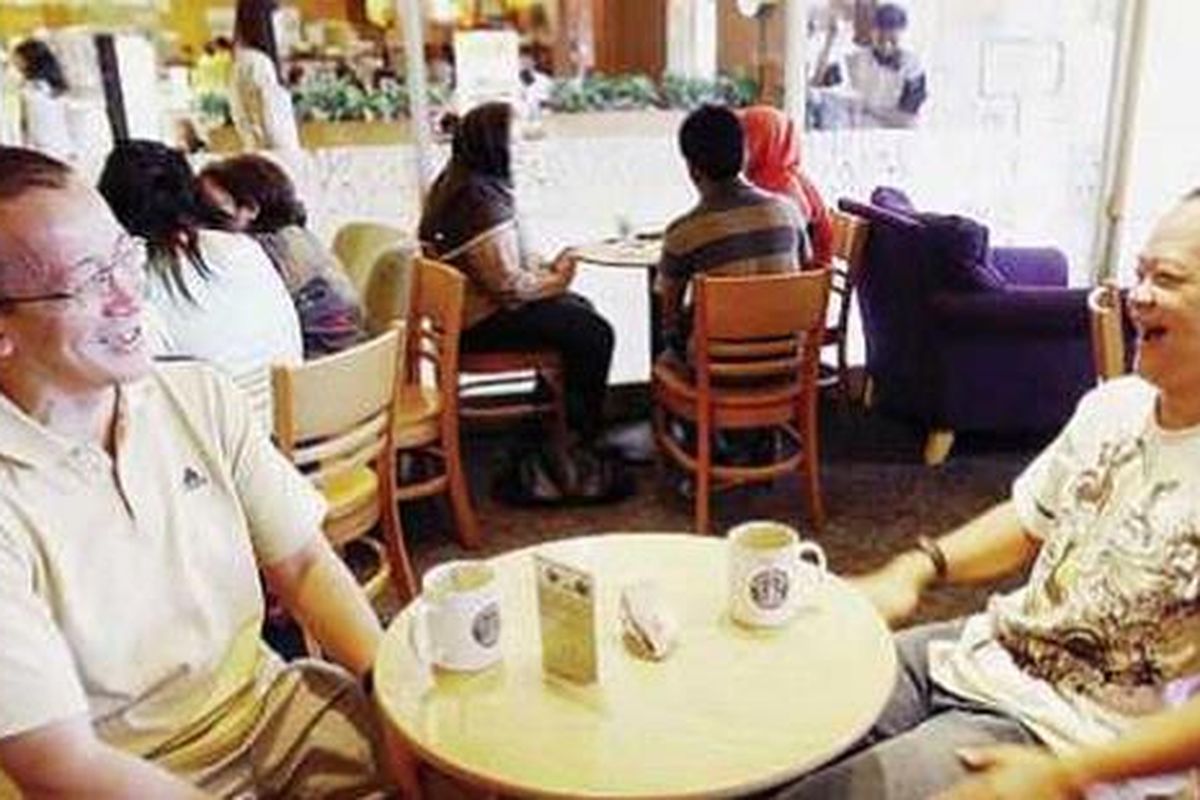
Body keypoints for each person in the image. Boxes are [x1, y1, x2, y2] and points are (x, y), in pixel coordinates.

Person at [774, 193, 1200, 799]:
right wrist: (914, 568)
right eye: (1140, 272)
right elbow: (1029, 520)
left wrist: (1069, 775)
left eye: (1168, 278)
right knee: (776, 713)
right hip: (980, 649)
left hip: (1060, 735)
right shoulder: (1114, 405)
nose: (1139, 295)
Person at [0, 146, 390, 796]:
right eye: (88, 279)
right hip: (120, 774)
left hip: (266, 712)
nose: (129, 293)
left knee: (449, 756)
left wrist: (385, 690)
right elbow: (60, 765)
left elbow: (303, 565)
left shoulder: (197, 397)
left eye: (124, 255)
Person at [418, 102, 615, 453]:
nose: (523, 148)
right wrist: (559, 279)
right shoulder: (477, 199)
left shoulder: (458, 183)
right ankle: (579, 437)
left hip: (461, 320)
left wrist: (547, 273)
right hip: (479, 326)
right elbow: (509, 289)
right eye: (517, 140)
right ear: (494, 145)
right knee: (594, 331)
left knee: (579, 311)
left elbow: (501, 265)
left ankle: (553, 421)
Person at [97, 140, 302, 425]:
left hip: (223, 440)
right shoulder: (243, 247)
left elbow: (130, 384)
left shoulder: (137, 280)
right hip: (290, 417)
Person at [656, 104, 809, 362]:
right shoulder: (789, 212)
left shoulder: (683, 233)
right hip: (786, 361)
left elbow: (669, 317)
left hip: (718, 369)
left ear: (692, 169)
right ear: (745, 155)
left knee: (666, 357)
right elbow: (803, 273)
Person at [198, 153, 366, 358]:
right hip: (352, 358)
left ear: (250, 209)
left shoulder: (263, 251)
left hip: (318, 364)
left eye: (211, 212)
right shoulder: (296, 236)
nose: (202, 223)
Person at [738, 105, 834, 268]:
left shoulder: (776, 189)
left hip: (799, 278)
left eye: (746, 139)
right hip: (809, 278)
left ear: (763, 142)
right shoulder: (795, 178)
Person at [229, 0, 301, 151]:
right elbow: (272, 124)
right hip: (276, 154)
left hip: (257, 151)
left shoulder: (242, 59)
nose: (281, 30)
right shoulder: (259, 63)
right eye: (278, 21)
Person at [842, 2, 928, 128]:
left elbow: (909, 113)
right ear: (873, 33)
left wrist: (872, 111)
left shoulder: (912, 65)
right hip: (863, 131)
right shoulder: (856, 60)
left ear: (902, 34)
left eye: (892, 39)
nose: (886, 45)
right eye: (881, 38)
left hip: (901, 132)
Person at [12, 39, 76, 162]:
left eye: (17, 58)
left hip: (44, 149)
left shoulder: (31, 89)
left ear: (29, 60)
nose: (14, 62)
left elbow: (31, 124)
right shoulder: (52, 86)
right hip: (62, 148)